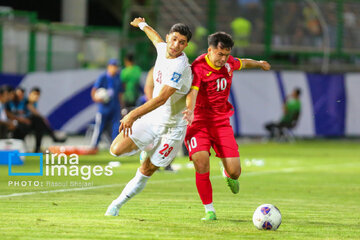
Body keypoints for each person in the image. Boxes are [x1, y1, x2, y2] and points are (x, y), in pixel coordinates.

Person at [105, 17, 192, 216]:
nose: (176, 45)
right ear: (169, 37)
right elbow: (154, 37)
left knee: (147, 169)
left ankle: (116, 205)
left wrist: (132, 115)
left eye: (182, 42)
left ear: (186, 45)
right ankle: (147, 147)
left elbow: (161, 98)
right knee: (115, 150)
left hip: (173, 128)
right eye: (174, 39)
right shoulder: (163, 48)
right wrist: (142, 25)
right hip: (153, 119)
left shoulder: (180, 67)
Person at [183, 32, 271, 220]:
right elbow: (193, 91)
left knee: (235, 171)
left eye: (226, 54)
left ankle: (226, 172)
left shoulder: (229, 62)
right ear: (210, 50)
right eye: (220, 54)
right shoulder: (198, 68)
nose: (223, 59)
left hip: (221, 122)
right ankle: (209, 210)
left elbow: (243, 62)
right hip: (198, 122)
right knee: (201, 161)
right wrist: (189, 111)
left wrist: (260, 63)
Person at [90, 59, 124, 149]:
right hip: (104, 108)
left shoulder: (118, 77)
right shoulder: (103, 77)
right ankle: (94, 146)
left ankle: (114, 146)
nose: (114, 68)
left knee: (116, 128)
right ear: (109, 67)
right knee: (99, 127)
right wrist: (97, 98)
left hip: (115, 107)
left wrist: (121, 107)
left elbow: (120, 93)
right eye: (113, 66)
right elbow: (94, 91)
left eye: (116, 66)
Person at [24, 87, 66, 152]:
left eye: (38, 95)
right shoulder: (26, 101)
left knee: (39, 126)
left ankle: (38, 147)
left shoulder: (34, 103)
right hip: (24, 122)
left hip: (32, 123)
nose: (36, 96)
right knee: (39, 121)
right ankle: (52, 135)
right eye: (35, 94)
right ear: (30, 94)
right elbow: (32, 111)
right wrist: (42, 118)